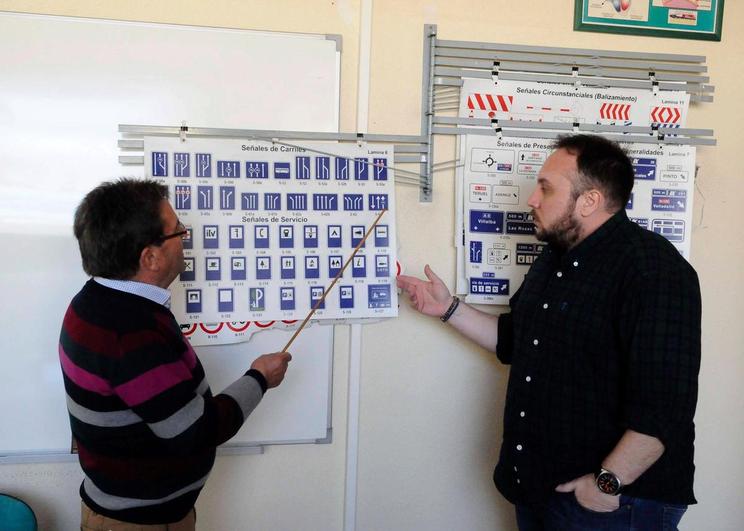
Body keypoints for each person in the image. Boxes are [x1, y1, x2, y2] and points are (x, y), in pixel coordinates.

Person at [397, 134, 701, 530]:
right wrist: (448, 308)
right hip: (540, 491)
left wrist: (606, 484)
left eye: (546, 188)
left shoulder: (654, 270)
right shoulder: (554, 258)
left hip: (615, 505)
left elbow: (665, 408)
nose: (532, 200)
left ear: (589, 200)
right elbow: (518, 342)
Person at [59, 178, 292, 530]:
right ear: (149, 257)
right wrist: (259, 378)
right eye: (177, 231)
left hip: (136, 510)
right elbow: (198, 431)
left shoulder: (94, 300)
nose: (185, 236)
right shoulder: (130, 332)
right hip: (138, 522)